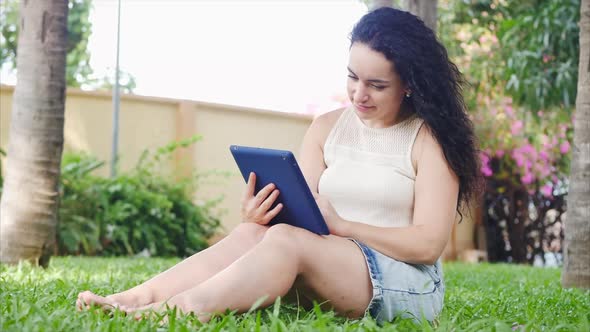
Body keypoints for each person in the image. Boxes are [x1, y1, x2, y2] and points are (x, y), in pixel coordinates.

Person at [76, 7, 481, 324]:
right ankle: (134, 299)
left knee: (287, 242)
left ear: (409, 83)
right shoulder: (326, 128)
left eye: (377, 85)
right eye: (353, 77)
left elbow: (428, 246)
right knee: (253, 233)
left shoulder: (429, 140)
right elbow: (299, 212)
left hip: (405, 282)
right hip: (331, 264)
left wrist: (344, 226)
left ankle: (178, 312)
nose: (359, 94)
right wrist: (260, 214)